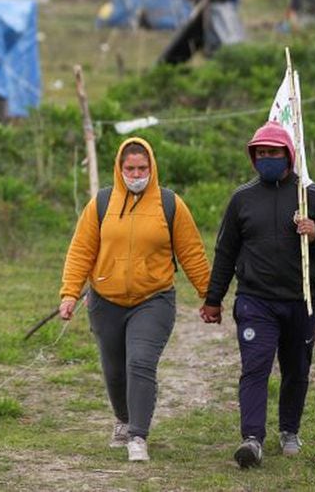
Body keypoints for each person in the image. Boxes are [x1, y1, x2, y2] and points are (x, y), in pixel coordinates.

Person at [199, 121, 315, 468]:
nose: (267, 159)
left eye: (273, 153)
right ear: (253, 157)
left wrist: (314, 235)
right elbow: (225, 252)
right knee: (255, 367)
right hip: (255, 301)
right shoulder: (241, 199)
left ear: (289, 155)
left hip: (302, 300)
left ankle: (289, 431)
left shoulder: (311, 195)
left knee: (296, 369)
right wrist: (213, 298)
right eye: (260, 153)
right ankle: (252, 440)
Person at [59, 137, 211, 462]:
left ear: (152, 167)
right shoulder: (101, 204)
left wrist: (208, 296)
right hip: (105, 300)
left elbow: (192, 252)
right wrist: (70, 294)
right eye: (130, 168)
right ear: (119, 168)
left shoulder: (170, 205)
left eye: (142, 168)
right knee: (114, 369)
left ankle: (137, 436)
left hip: (153, 299)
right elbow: (81, 251)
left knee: (140, 361)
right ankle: (123, 419)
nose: (137, 173)